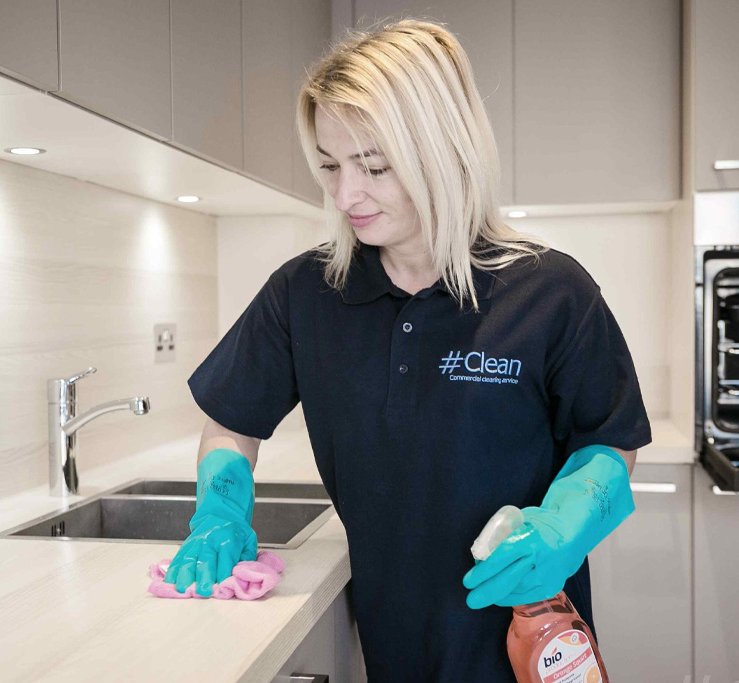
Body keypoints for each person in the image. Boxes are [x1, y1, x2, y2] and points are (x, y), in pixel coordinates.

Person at [162, 18, 651, 682]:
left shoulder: (551, 291)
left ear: (445, 149)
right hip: (393, 644)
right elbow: (232, 419)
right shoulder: (307, 292)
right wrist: (221, 508)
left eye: (373, 166)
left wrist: (566, 523)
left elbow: (610, 439)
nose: (344, 194)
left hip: (532, 643)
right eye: (331, 165)